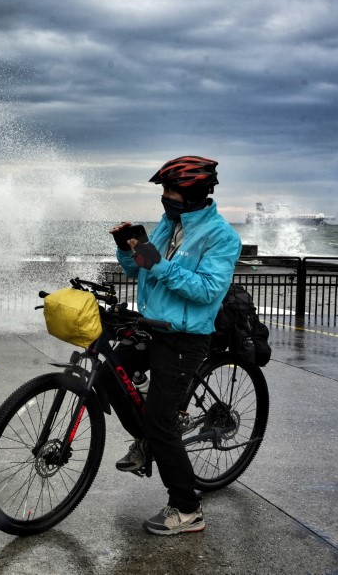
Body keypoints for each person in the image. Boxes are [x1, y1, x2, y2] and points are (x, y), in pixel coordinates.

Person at [110, 156, 241, 536]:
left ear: (193, 193)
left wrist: (157, 263)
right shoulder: (170, 224)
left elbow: (207, 291)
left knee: (161, 420)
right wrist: (127, 249)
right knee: (108, 372)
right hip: (153, 326)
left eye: (170, 191)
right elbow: (138, 269)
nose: (164, 198)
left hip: (186, 336)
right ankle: (147, 440)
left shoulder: (221, 235)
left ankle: (187, 509)